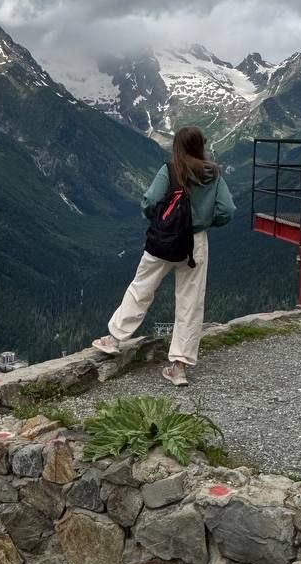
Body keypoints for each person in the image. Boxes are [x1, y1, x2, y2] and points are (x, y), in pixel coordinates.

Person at [92, 125, 235, 386]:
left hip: (164, 238)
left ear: (178, 147)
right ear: (200, 146)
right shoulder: (213, 175)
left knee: (142, 287)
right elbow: (227, 210)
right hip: (195, 242)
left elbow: (149, 201)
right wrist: (204, 221)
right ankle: (179, 367)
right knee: (190, 301)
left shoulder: (170, 170)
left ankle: (114, 339)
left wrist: (161, 220)